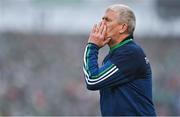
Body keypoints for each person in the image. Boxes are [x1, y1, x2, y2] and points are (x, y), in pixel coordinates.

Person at [83, 4, 156, 116]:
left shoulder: (130, 53)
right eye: (102, 19)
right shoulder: (118, 54)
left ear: (122, 27)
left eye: (107, 20)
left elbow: (92, 80)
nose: (101, 23)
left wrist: (92, 46)